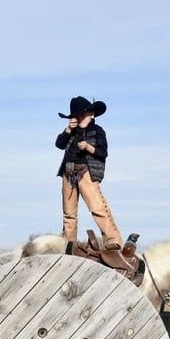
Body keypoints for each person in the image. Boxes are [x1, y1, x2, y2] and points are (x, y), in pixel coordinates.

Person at [55, 96, 123, 250]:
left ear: (91, 114)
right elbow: (59, 144)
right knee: (69, 213)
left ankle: (113, 240)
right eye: (76, 115)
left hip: (86, 172)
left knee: (97, 207)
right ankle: (68, 244)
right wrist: (68, 130)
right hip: (68, 173)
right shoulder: (71, 131)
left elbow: (102, 153)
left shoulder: (97, 131)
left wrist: (87, 147)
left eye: (81, 114)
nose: (78, 118)